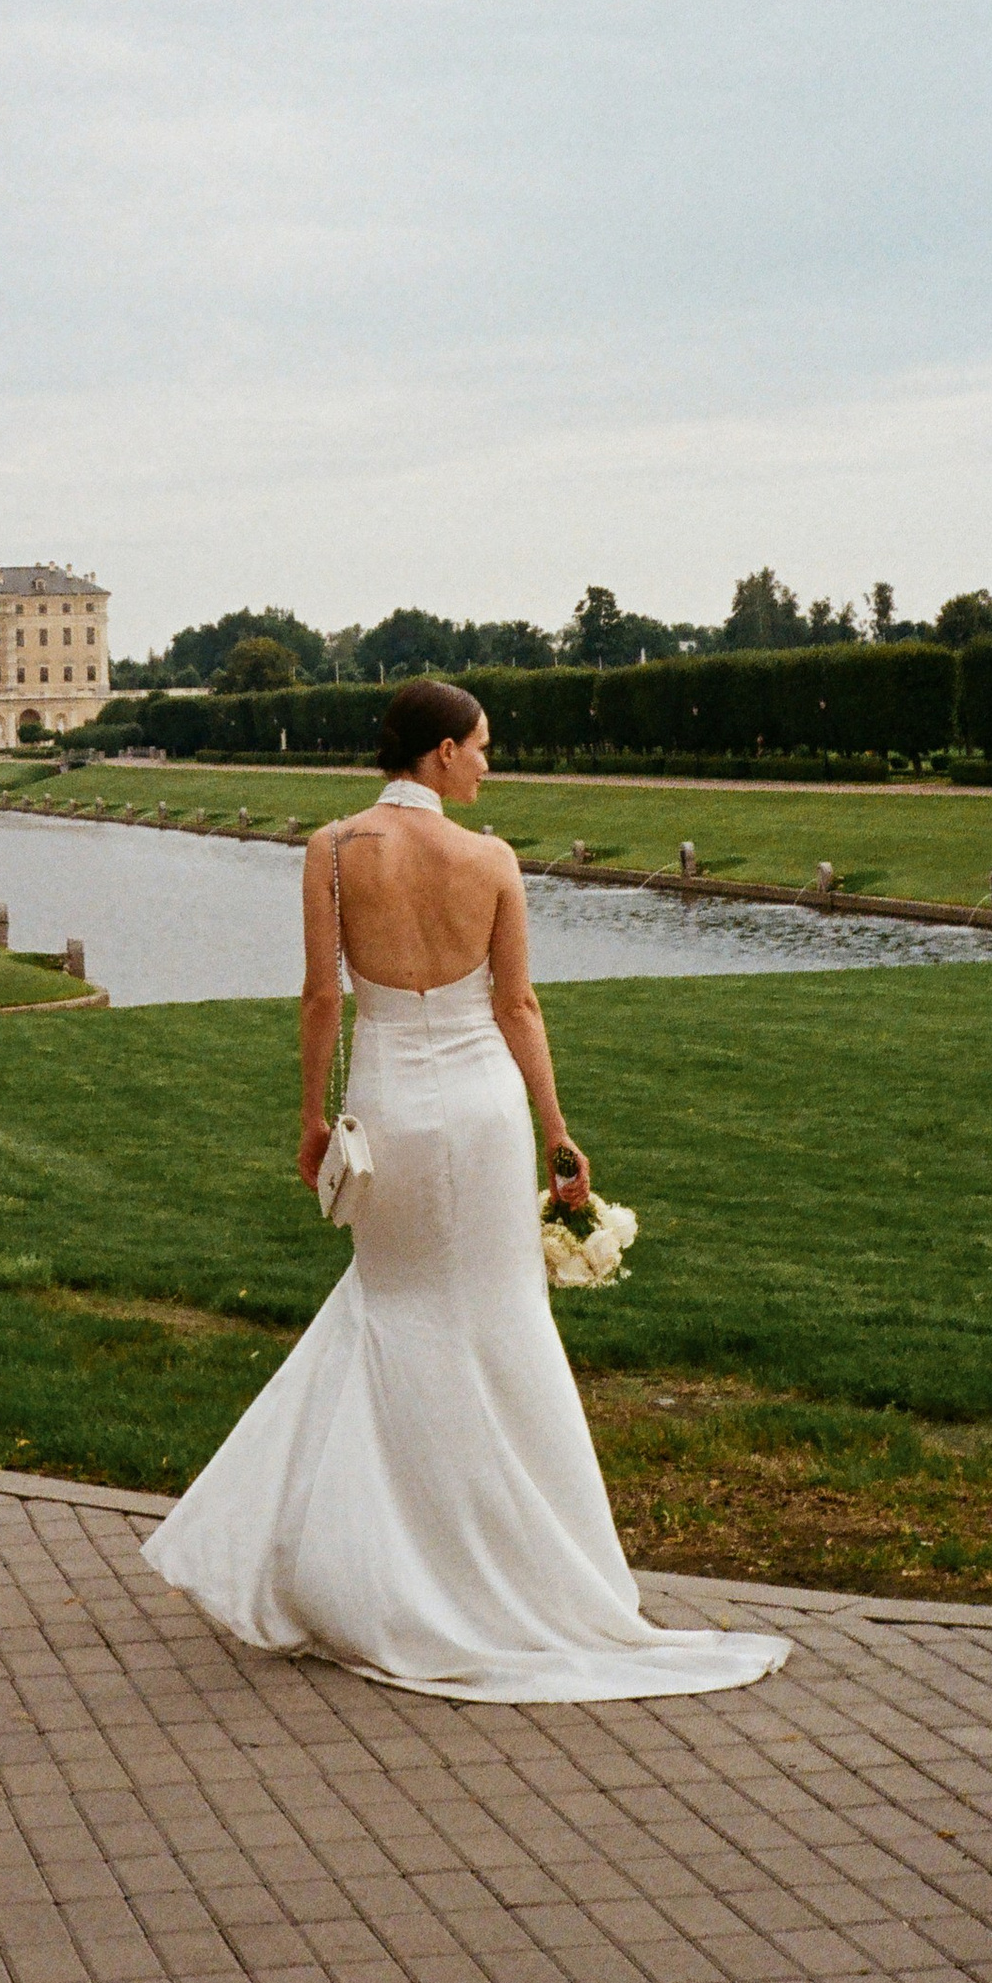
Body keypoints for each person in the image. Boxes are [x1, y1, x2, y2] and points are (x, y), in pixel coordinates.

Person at [142, 679, 790, 1701]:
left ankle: (391, 1570)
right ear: (439, 753)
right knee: (499, 1323)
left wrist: (310, 1119)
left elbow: (321, 997)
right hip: (483, 1111)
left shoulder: (332, 850)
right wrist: (556, 1131)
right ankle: (522, 1571)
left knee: (395, 1315)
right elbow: (518, 1004)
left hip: (390, 1104)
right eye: (482, 745)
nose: (491, 761)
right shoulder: (488, 860)